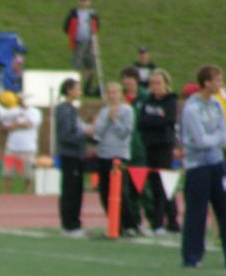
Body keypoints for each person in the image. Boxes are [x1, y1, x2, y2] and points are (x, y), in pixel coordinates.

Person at [180, 65, 226, 268]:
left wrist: (215, 139)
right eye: (217, 80)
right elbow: (199, 140)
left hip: (217, 164)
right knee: (197, 212)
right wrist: (215, 139)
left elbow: (224, 135)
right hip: (197, 166)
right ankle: (192, 256)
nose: (220, 84)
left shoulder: (217, 105)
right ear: (206, 83)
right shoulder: (192, 109)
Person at [93, 82, 139, 235]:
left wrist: (115, 120)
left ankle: (130, 224)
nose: (112, 96)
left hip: (119, 156)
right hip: (103, 154)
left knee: (121, 192)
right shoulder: (103, 112)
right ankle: (114, 224)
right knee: (105, 192)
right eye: (109, 92)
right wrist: (107, 118)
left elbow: (125, 133)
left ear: (120, 94)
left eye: (115, 92)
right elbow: (97, 132)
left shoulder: (127, 111)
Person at [138, 68, 180, 234]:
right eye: (152, 83)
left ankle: (171, 220)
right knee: (155, 184)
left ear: (165, 84)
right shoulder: (147, 101)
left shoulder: (171, 100)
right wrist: (156, 120)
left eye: (158, 83)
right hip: (150, 146)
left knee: (166, 184)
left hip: (164, 146)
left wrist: (154, 121)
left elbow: (168, 120)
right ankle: (158, 222)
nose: (154, 86)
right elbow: (141, 122)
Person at [120, 66, 154, 234]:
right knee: (129, 190)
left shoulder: (145, 97)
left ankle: (155, 221)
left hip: (141, 149)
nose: (127, 82)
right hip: (126, 150)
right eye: (124, 78)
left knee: (144, 187)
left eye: (130, 78)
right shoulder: (121, 99)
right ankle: (136, 222)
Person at [55, 78, 91, 236]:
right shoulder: (64, 109)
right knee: (71, 191)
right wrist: (85, 135)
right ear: (69, 90)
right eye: (77, 88)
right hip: (70, 155)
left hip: (76, 154)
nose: (80, 91)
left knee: (76, 190)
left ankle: (73, 222)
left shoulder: (71, 109)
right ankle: (70, 224)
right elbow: (66, 135)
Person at [0, 91, 43, 193]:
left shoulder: (34, 112)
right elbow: (4, 126)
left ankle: (26, 193)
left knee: (28, 173)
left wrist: (14, 125)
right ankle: (5, 193)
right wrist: (17, 125)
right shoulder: (13, 111)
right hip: (12, 146)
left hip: (28, 147)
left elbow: (30, 124)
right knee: (7, 173)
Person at [63, 0, 100, 97]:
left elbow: (97, 26)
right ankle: (75, 87)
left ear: (89, 2)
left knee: (89, 64)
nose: (84, 2)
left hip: (89, 41)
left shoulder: (92, 13)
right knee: (77, 63)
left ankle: (87, 87)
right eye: (82, 0)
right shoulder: (74, 13)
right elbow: (67, 27)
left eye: (85, 0)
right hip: (78, 41)